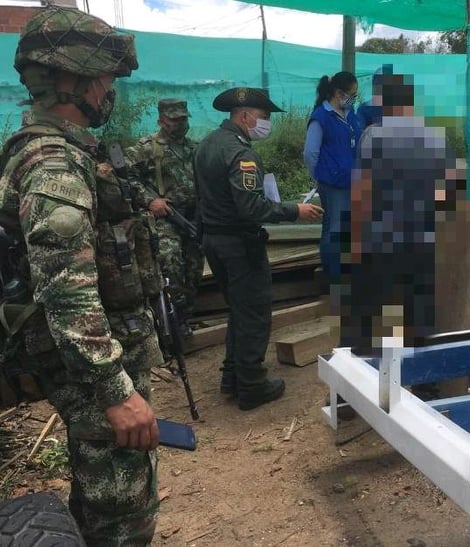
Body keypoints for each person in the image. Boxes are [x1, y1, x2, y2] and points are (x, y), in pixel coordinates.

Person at [0, 6, 161, 545]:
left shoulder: (64, 154)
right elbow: (68, 294)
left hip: (88, 371)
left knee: (99, 503)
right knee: (121, 517)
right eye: (104, 79)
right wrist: (115, 390)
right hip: (91, 378)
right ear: (69, 78)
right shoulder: (53, 166)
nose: (109, 91)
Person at [194, 87, 323, 411]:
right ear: (245, 115)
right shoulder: (242, 154)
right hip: (240, 244)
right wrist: (295, 211)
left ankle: (232, 377)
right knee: (253, 312)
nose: (266, 124)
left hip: (214, 241)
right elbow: (251, 207)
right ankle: (252, 385)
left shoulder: (207, 144)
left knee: (238, 309)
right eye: (264, 117)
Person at [344, 67, 464, 355]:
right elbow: (452, 189)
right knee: (419, 317)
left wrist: (356, 241)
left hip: (379, 241)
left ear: (385, 103)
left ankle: (357, 382)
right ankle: (424, 385)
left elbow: (362, 193)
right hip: (422, 243)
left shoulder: (372, 137)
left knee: (366, 317)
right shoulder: (438, 138)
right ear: (411, 102)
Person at [127, 98, 203, 337]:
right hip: (165, 219)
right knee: (172, 265)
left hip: (193, 219)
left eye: (183, 119)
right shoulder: (146, 148)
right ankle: (171, 322)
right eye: (174, 119)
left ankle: (184, 320)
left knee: (194, 269)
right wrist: (150, 200)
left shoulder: (195, 148)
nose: (179, 124)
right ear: (161, 120)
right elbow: (124, 177)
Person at [304, 71, 362, 287]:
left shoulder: (350, 114)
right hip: (333, 184)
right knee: (335, 228)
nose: (354, 98)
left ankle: (346, 272)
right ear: (339, 93)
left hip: (352, 181)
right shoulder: (321, 117)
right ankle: (333, 276)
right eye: (352, 94)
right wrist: (320, 176)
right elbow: (310, 153)